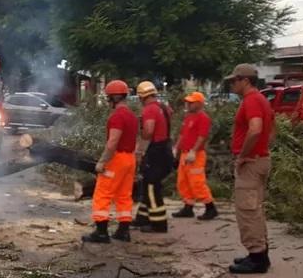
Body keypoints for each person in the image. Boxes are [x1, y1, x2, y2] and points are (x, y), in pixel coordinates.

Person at [226, 64, 275, 274]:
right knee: (255, 208)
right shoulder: (262, 100)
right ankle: (260, 253)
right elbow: (271, 129)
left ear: (245, 80)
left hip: (251, 163)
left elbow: (255, 129)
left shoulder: (252, 100)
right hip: (260, 159)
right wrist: (263, 149)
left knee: (247, 210)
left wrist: (245, 155)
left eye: (234, 81)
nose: (232, 84)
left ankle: (257, 258)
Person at [83, 80, 138, 244]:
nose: (107, 101)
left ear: (114, 98)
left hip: (117, 159)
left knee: (102, 194)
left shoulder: (117, 117)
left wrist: (102, 161)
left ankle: (101, 233)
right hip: (130, 159)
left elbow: (113, 142)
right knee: (124, 195)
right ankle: (123, 231)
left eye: (108, 98)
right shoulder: (132, 116)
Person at [132, 81, 174, 233]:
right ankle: (142, 218)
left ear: (141, 96)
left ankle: (159, 224)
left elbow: (149, 131)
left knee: (151, 188)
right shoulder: (163, 107)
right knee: (147, 184)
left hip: (156, 152)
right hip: (166, 150)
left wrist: (139, 151)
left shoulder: (149, 110)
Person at [173, 91, 218, 220]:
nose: (188, 104)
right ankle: (188, 207)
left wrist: (194, 151)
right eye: (188, 102)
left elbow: (202, 136)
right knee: (183, 181)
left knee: (197, 182)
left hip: (196, 155)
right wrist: (176, 148)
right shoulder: (189, 117)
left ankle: (210, 208)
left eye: (191, 103)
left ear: (199, 104)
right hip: (185, 153)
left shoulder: (203, 118)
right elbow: (182, 134)